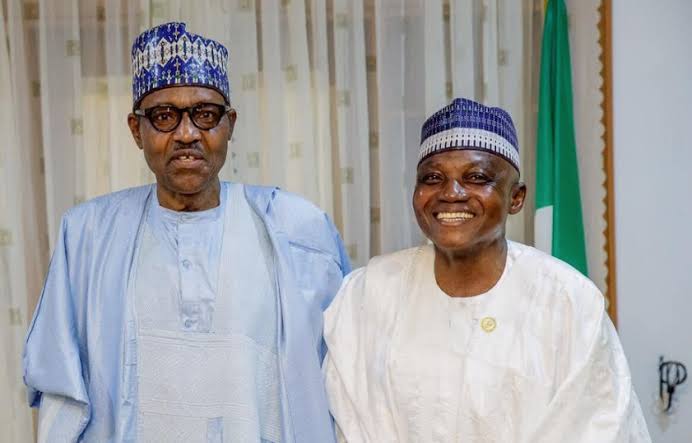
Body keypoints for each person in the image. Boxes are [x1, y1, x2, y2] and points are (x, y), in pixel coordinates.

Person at [23, 22, 350, 442]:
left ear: (230, 124)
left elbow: (344, 375)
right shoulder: (88, 236)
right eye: (164, 116)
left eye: (205, 115)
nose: (187, 134)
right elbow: (61, 396)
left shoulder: (296, 230)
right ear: (136, 129)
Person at [323, 97, 651, 442]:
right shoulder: (369, 293)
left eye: (476, 177)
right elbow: (346, 417)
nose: (451, 193)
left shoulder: (568, 301)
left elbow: (599, 426)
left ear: (516, 197)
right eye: (432, 177)